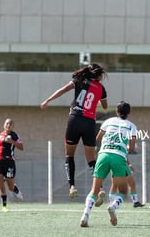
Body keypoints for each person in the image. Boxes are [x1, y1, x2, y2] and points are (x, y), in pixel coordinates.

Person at [40, 63, 108, 198]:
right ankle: (99, 188)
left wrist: (47, 100)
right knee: (91, 159)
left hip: (75, 119)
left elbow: (62, 90)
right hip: (89, 122)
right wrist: (95, 100)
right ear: (99, 76)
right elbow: (105, 106)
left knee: (69, 155)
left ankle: (72, 186)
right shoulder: (101, 88)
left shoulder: (79, 80)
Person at [80, 101, 136, 227]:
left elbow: (97, 139)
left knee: (94, 190)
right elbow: (131, 149)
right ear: (129, 113)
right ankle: (113, 206)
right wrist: (125, 145)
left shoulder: (108, 121)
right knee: (123, 191)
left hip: (103, 155)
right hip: (118, 157)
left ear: (117, 111)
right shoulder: (131, 126)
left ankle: (85, 215)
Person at [0, 118, 24, 214]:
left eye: (11, 124)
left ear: (13, 126)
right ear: (4, 125)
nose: (9, 125)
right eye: (7, 123)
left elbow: (21, 147)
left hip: (9, 162)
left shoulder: (14, 135)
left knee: (10, 187)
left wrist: (13, 142)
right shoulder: (0, 135)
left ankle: (15, 189)